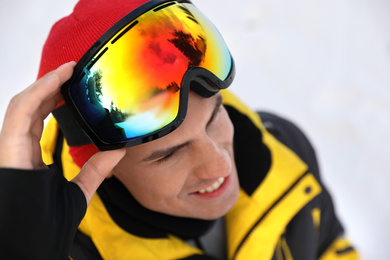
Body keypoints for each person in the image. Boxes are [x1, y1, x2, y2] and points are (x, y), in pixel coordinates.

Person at [0, 0, 359, 259]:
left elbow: (328, 245)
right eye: (169, 153)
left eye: (215, 117)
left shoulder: (283, 146)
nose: (219, 166)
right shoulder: (65, 249)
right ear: (102, 170)